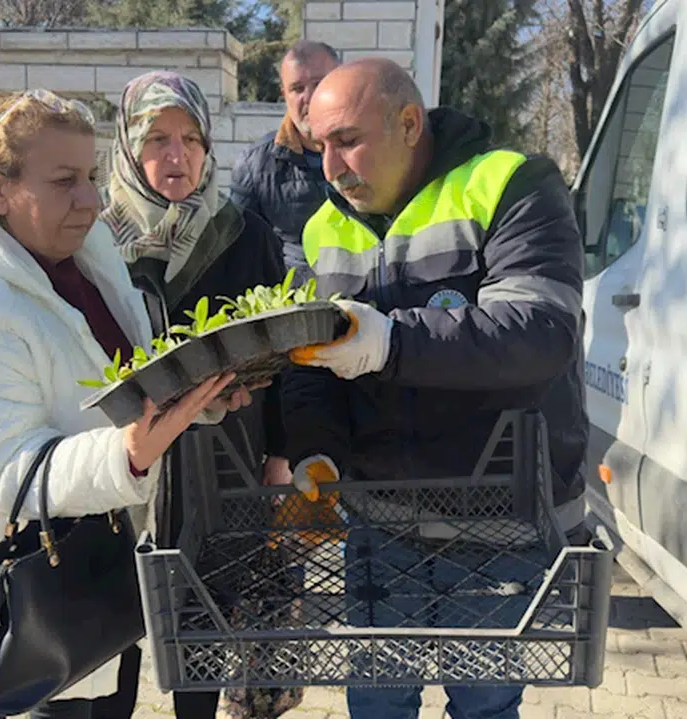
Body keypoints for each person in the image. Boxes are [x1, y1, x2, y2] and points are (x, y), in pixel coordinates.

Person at [0, 89, 252, 719]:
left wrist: (193, 397)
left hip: (78, 574)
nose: (92, 200)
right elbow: (7, 473)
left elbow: (113, 390)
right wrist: (128, 455)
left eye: (92, 176)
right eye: (64, 180)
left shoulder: (85, 260)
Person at [282, 59, 590, 719]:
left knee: (484, 707)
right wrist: (316, 452)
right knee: (377, 703)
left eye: (347, 140)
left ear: (408, 123)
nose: (331, 167)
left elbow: (540, 329)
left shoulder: (510, 184)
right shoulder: (321, 230)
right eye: (320, 145)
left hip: (498, 524)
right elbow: (310, 368)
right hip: (379, 523)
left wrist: (392, 343)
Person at [100, 71, 303, 719]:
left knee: (207, 617)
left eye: (191, 139)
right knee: (113, 626)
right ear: (129, 147)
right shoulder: (97, 243)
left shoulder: (245, 235)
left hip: (226, 458)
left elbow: (286, 355)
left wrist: (281, 457)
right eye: (157, 138)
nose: (177, 155)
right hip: (121, 462)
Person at [230, 40, 341, 282]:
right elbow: (241, 257)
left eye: (319, 84)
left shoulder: (374, 152)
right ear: (285, 96)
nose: (309, 97)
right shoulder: (254, 166)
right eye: (297, 88)